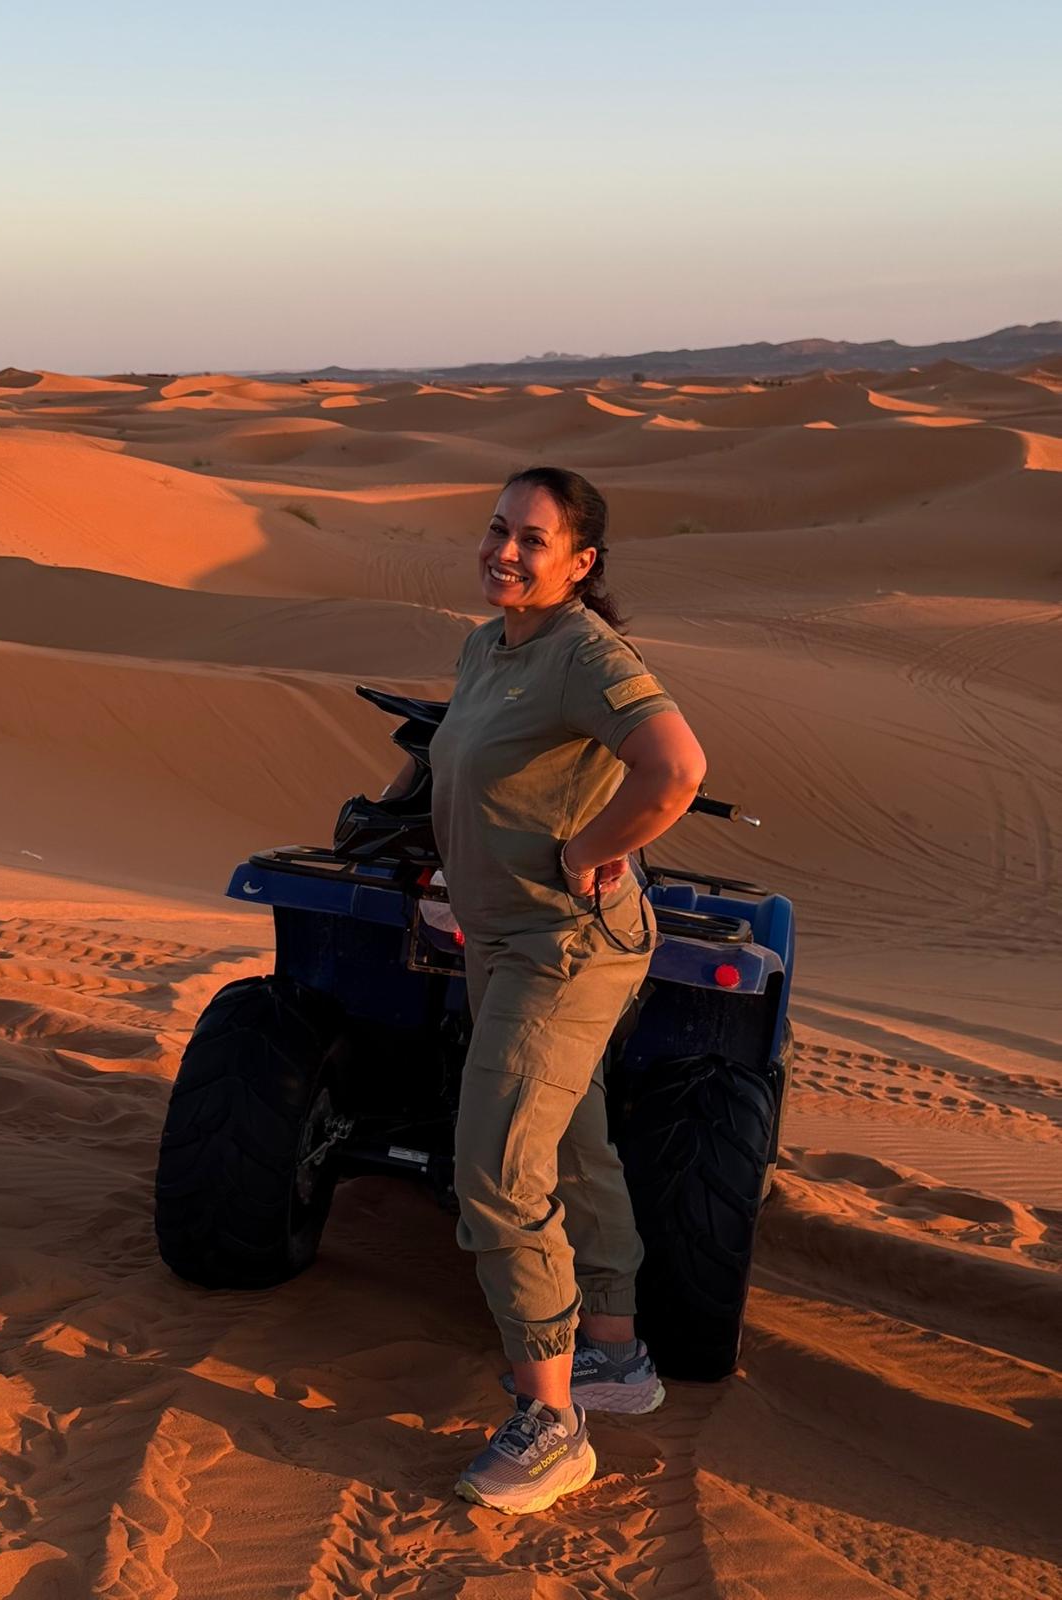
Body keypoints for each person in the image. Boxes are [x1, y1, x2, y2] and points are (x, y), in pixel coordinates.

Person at [381, 465, 708, 1514]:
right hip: (502, 935)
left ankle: (551, 1419)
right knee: (569, 1136)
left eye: (533, 539)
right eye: (497, 529)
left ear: (580, 562)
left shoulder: (585, 654)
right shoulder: (489, 645)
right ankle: (610, 1352)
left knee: (495, 1168)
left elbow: (675, 768)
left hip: (561, 943)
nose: (505, 552)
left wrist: (587, 849)